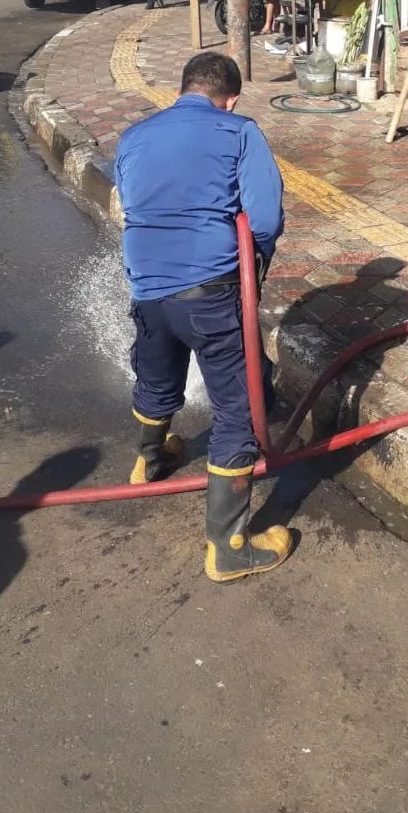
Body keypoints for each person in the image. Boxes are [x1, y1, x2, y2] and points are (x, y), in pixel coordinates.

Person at [114, 51, 291, 582]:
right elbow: (265, 219)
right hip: (211, 293)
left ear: (182, 89)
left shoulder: (133, 137)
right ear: (230, 98)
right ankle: (229, 547)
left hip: (147, 291)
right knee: (236, 413)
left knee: (156, 375)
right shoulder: (239, 132)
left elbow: (129, 205)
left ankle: (149, 460)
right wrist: (250, 271)